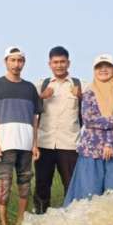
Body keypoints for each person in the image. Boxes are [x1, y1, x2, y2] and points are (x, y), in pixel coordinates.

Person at [0, 46, 41, 225]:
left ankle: (20, 220)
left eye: (20, 60)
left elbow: (35, 119)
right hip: (5, 144)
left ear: (23, 62)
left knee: (25, 183)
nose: (17, 64)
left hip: (25, 144)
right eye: (13, 60)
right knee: (4, 185)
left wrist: (34, 144)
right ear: (6, 61)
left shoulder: (30, 88)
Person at [63, 54, 113, 206]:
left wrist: (110, 144)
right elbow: (88, 119)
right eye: (99, 67)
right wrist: (112, 120)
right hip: (90, 150)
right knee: (88, 196)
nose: (103, 70)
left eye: (107, 66)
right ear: (94, 70)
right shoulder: (88, 92)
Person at [33, 46, 82, 213]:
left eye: (62, 62)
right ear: (49, 64)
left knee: (71, 184)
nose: (59, 65)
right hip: (44, 143)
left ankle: (72, 217)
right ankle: (40, 218)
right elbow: (26, 106)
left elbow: (106, 89)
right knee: (42, 184)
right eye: (55, 62)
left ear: (68, 63)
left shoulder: (80, 85)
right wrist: (40, 97)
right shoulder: (41, 85)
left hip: (70, 144)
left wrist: (81, 95)